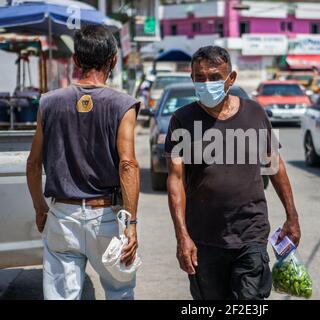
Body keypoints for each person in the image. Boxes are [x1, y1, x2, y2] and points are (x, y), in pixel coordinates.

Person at [165, 46, 301, 300]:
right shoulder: (182, 120)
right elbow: (175, 181)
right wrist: (182, 236)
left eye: (215, 77)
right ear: (192, 78)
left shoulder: (254, 112)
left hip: (250, 234)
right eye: (201, 77)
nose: (207, 83)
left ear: (231, 78)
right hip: (204, 239)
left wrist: (292, 216)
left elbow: (275, 166)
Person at [26, 25, 140, 300]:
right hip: (108, 218)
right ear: (113, 60)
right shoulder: (123, 104)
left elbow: (33, 162)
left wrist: (41, 208)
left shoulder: (48, 102)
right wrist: (132, 222)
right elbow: (127, 164)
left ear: (76, 60)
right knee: (120, 291)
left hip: (63, 216)